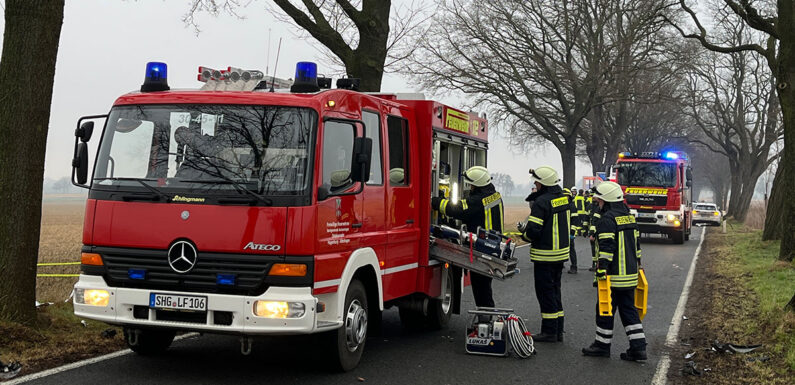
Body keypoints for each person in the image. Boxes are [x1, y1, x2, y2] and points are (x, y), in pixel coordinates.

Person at [582, 181, 647, 361]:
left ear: (607, 201)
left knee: (605, 310)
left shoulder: (607, 220)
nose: (598, 204)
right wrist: (639, 265)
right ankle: (639, 348)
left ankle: (602, 345)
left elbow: (606, 248)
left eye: (600, 201)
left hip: (613, 276)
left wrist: (601, 269)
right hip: (630, 275)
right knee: (628, 310)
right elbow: (637, 246)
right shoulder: (629, 217)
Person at [431, 166, 504, 308]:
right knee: (484, 287)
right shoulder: (495, 196)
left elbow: (457, 209)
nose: (470, 187)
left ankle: (486, 316)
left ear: (477, 184)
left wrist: (436, 201)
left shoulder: (479, 200)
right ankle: (486, 315)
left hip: (483, 248)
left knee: (481, 288)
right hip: (492, 246)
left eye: (471, 184)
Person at [520, 166, 572, 342]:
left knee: (545, 293)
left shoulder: (541, 202)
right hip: (560, 255)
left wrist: (524, 235)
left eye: (537, 182)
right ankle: (558, 330)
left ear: (544, 184)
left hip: (545, 256)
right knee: (555, 292)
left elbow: (534, 230)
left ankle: (549, 331)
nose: (535, 184)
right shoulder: (563, 199)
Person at [563, 188, 581, 274]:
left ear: (569, 197)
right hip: (562, 231)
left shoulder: (572, 206)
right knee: (561, 249)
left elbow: (575, 220)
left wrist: (572, 233)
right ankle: (560, 264)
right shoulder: (560, 206)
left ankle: (574, 267)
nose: (564, 198)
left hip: (569, 232)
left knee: (571, 250)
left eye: (566, 196)